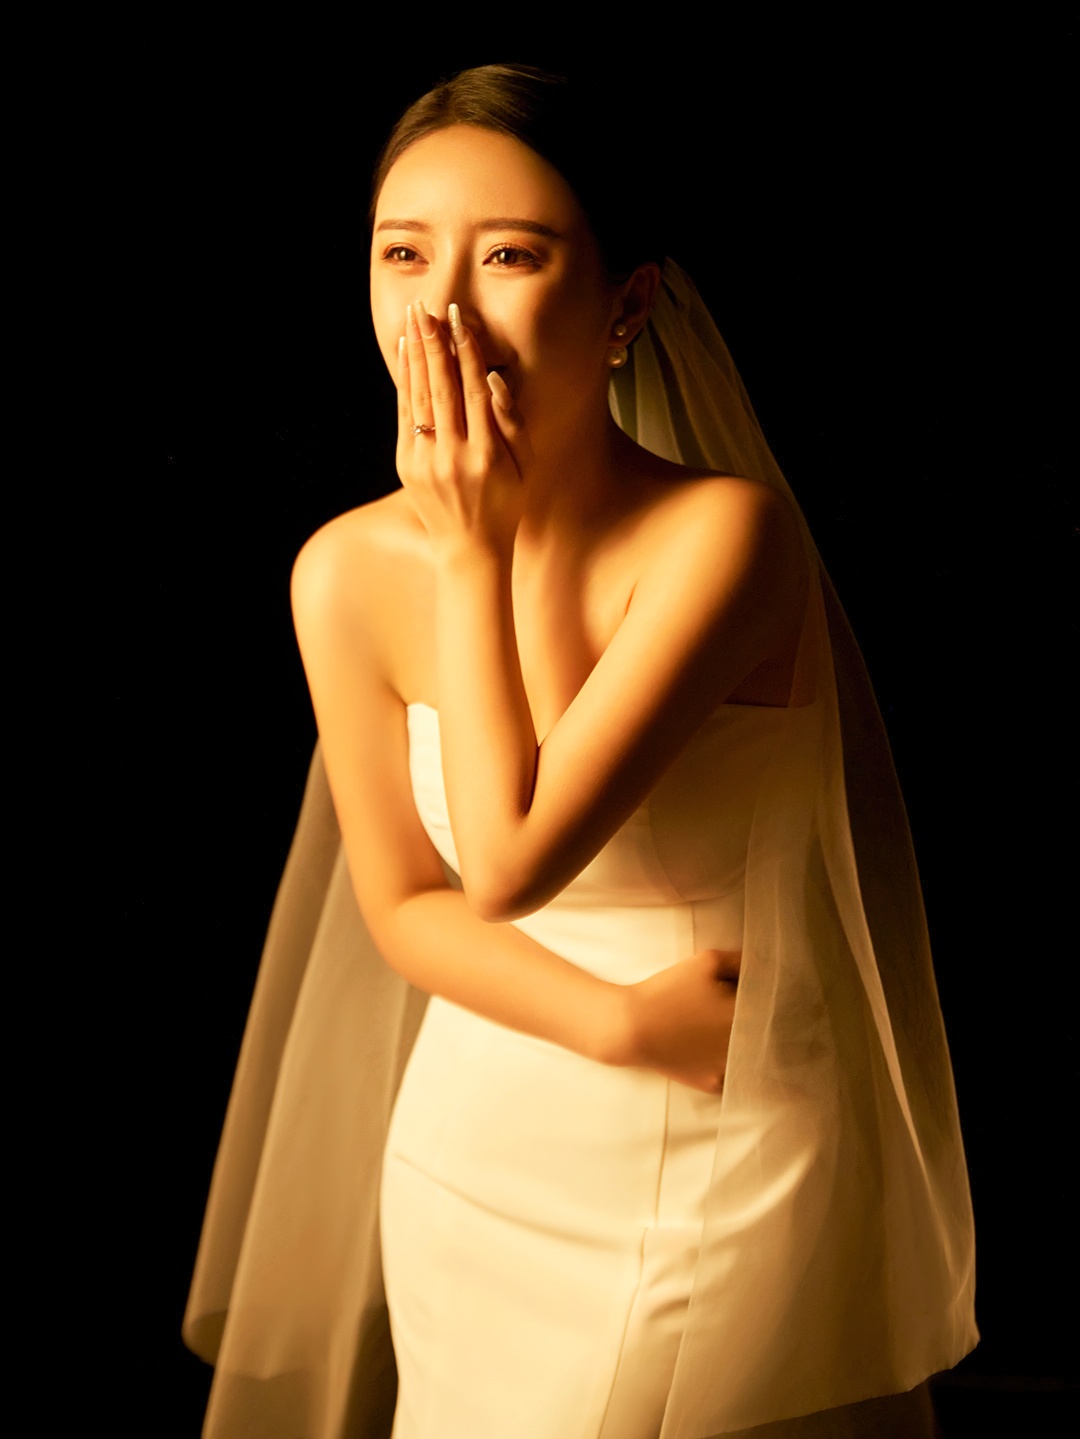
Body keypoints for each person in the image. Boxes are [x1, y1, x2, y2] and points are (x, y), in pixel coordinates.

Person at [184, 65, 977, 1439]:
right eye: (402, 254)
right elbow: (409, 902)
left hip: (720, 1139)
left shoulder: (724, 540)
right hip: (483, 1134)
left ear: (626, 305)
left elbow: (506, 860)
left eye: (510, 256)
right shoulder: (345, 572)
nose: (442, 310)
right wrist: (614, 1022)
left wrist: (473, 547)